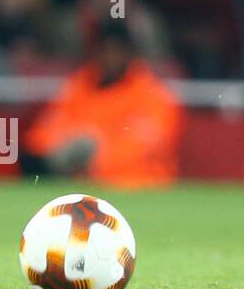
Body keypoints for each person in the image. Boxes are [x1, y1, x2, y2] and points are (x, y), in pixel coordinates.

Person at [22, 18, 184, 189]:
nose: (110, 56)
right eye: (105, 49)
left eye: (117, 49)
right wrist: (65, 147)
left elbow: (147, 145)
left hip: (140, 189)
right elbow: (43, 134)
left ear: (130, 52)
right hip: (82, 188)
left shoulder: (153, 93)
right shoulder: (78, 85)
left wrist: (95, 153)